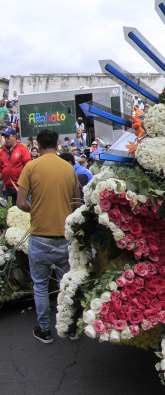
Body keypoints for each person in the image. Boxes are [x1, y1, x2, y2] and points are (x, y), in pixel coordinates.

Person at [16, 129, 82, 344]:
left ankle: (44, 330)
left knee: (41, 286)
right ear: (57, 144)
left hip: (40, 237)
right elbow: (77, 204)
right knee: (67, 284)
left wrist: (34, 209)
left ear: (38, 144)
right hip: (64, 237)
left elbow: (20, 203)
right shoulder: (68, 168)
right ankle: (71, 326)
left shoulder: (31, 167)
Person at [0, 127, 31, 205]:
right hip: (7, 187)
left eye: (8, 137)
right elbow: (0, 169)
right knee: (10, 210)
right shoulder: (2, 151)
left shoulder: (22, 149)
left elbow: (28, 166)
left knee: (23, 209)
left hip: (21, 187)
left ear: (14, 136)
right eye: (5, 137)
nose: (6, 139)